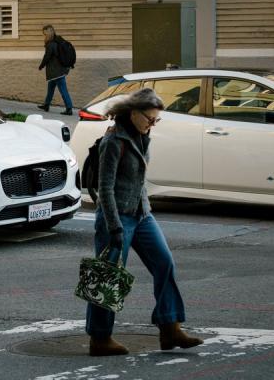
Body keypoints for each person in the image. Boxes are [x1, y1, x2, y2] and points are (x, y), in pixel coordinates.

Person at [85, 87, 203, 356]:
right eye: (150, 119)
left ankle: (169, 327)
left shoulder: (142, 135)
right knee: (107, 277)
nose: (152, 124)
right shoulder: (114, 141)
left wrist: (144, 210)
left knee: (164, 263)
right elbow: (105, 189)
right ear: (133, 113)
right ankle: (100, 339)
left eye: (156, 120)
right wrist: (114, 226)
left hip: (141, 215)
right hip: (116, 218)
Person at [37, 24, 73, 115]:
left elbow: (47, 57)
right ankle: (46, 104)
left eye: (45, 34)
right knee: (50, 88)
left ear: (48, 33)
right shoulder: (57, 41)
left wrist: (41, 65)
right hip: (58, 70)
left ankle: (69, 108)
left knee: (63, 90)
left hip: (56, 71)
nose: (44, 36)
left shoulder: (51, 44)